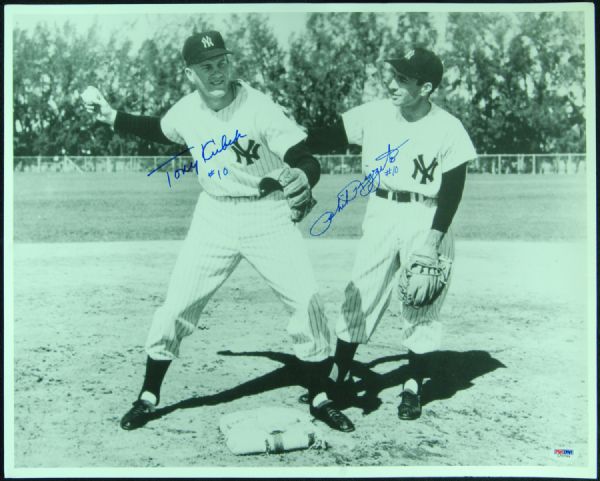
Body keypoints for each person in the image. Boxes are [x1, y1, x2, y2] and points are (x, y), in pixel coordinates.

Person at [82, 30, 354, 432]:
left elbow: (303, 157)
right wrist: (111, 116)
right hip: (213, 216)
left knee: (307, 303)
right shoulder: (186, 110)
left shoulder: (259, 107)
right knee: (177, 306)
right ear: (190, 72)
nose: (217, 72)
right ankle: (148, 395)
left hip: (268, 216)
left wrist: (303, 175)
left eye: (222, 62)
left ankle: (318, 396)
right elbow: (162, 129)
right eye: (206, 66)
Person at [305, 47, 477, 421]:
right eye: (394, 77)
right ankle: (341, 373)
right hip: (381, 210)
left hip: (428, 216)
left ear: (426, 87)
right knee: (360, 292)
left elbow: (452, 190)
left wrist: (432, 242)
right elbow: (326, 136)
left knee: (421, 300)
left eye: (403, 80)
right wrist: (285, 135)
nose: (393, 85)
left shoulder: (448, 128)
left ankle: (413, 385)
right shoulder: (375, 114)